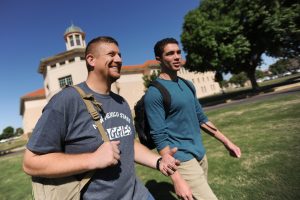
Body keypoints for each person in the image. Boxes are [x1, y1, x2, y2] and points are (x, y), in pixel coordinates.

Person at [23, 36, 180, 200]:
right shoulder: (66, 100)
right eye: (111, 54)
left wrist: (159, 161)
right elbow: (31, 162)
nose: (118, 59)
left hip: (140, 195)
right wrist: (92, 160)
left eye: (119, 55)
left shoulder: (121, 102)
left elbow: (128, 144)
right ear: (91, 60)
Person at [144, 38, 242, 200]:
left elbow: (201, 118)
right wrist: (176, 177)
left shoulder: (187, 84)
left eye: (178, 52)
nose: (176, 57)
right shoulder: (154, 93)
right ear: (159, 59)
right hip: (181, 159)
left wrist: (227, 142)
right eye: (170, 54)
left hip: (200, 153)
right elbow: (159, 136)